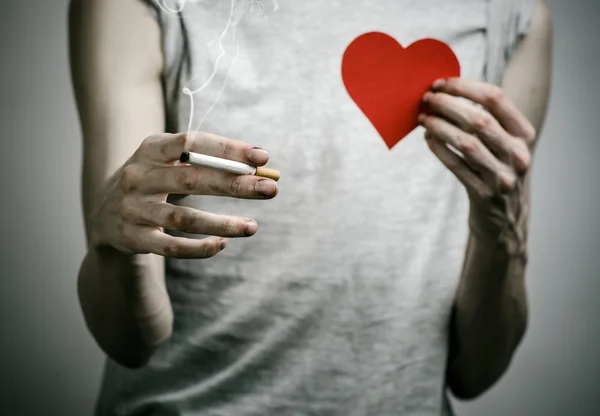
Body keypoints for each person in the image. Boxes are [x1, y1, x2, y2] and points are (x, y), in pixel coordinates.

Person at [68, 0, 552, 414]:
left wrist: (503, 238)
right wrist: (117, 244)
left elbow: (476, 372)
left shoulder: (509, 13)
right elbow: (128, 339)